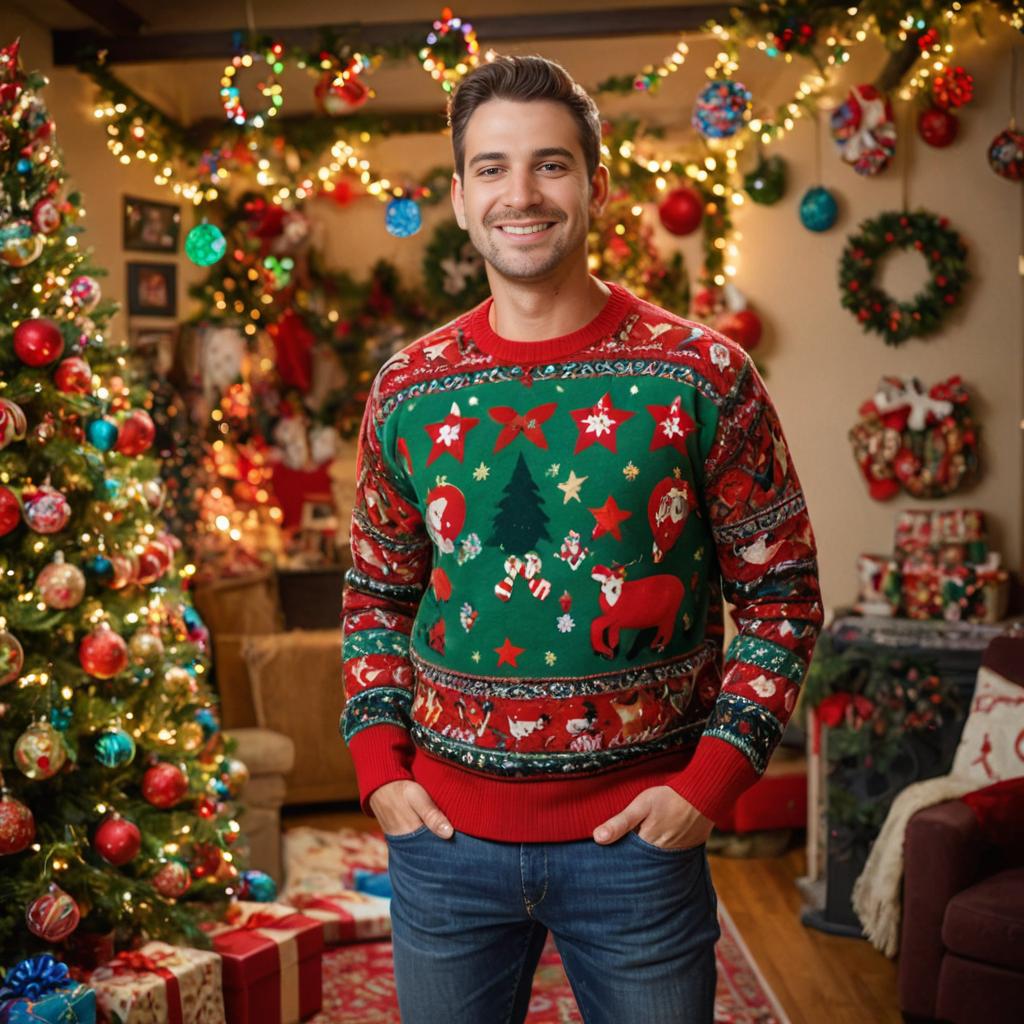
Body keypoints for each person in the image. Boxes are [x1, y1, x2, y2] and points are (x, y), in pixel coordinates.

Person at [341, 54, 822, 1024]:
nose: (520, 194)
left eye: (550, 165)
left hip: (639, 850)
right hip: (442, 850)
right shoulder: (406, 387)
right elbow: (373, 595)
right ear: (459, 194)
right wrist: (379, 770)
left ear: (597, 185)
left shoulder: (701, 375)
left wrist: (708, 786)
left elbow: (782, 598)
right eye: (492, 167)